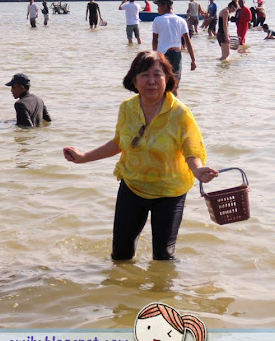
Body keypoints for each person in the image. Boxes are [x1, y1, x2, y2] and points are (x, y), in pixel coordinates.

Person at [63, 51, 218, 261]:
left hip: (169, 192)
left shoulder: (180, 113)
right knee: (120, 255)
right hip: (133, 186)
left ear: (168, 79)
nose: (151, 81)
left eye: (157, 74)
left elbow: (191, 150)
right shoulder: (127, 108)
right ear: (134, 80)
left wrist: (197, 169)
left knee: (163, 257)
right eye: (144, 75)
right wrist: (83, 157)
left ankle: (163, 292)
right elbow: (119, 143)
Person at [151, 0, 197, 97]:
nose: (157, 8)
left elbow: (155, 41)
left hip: (163, 55)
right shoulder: (181, 20)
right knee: (175, 85)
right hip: (176, 53)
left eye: (158, 6)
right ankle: (174, 109)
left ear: (164, 6)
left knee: (162, 84)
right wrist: (193, 60)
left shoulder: (157, 20)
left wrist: (154, 57)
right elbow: (187, 41)